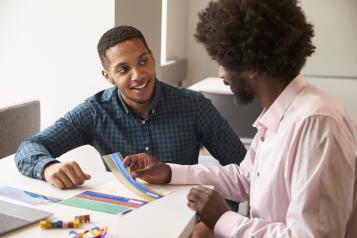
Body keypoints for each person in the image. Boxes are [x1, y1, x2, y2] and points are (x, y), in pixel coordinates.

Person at [122, 0, 357, 237]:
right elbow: (245, 179)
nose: (222, 73)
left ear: (251, 64)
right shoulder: (280, 114)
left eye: (224, 62)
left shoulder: (315, 123)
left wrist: (224, 219)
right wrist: (169, 172)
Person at [14, 25, 246, 191]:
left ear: (153, 58)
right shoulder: (94, 111)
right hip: (122, 219)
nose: (138, 75)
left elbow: (243, 170)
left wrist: (212, 220)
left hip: (185, 217)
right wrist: (48, 167)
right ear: (108, 76)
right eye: (123, 69)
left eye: (143, 61)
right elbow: (30, 147)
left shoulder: (195, 105)